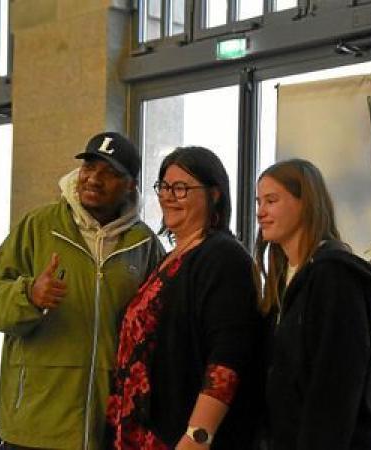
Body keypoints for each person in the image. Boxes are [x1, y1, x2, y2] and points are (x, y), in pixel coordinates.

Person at [0, 131, 165, 450]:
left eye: (110, 173)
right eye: (89, 167)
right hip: (37, 420)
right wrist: (28, 295)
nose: (94, 179)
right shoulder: (39, 226)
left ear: (130, 185)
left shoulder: (143, 245)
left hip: (108, 421)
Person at [107, 146, 264, 449]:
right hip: (139, 433)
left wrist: (196, 438)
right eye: (164, 186)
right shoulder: (169, 258)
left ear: (214, 194)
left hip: (183, 439)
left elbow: (228, 359)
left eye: (181, 188)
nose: (168, 196)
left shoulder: (223, 256)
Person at [255, 158, 371, 450]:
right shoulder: (283, 278)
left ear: (305, 203)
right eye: (258, 201)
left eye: (271, 201)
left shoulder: (335, 276)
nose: (260, 212)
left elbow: (336, 387)